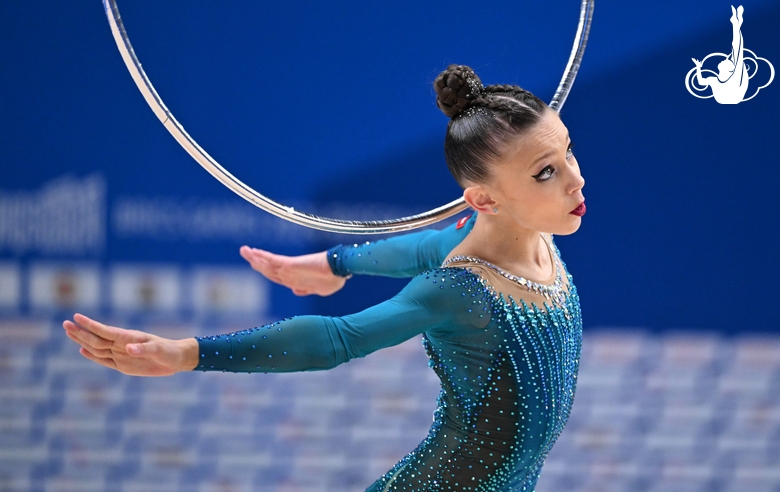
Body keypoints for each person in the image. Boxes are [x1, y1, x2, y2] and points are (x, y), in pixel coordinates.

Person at [64, 64, 586, 491]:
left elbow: (422, 245)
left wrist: (336, 263)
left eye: (567, 152)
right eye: (547, 172)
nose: (575, 179)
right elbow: (337, 339)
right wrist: (188, 353)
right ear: (484, 199)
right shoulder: (460, 290)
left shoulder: (530, 236)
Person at [692, 5, 748, 104]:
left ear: (729, 69)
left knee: (737, 51)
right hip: (727, 97)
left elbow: (738, 49)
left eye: (727, 61)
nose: (724, 59)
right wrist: (698, 67)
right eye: (727, 60)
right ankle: (736, 23)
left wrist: (736, 26)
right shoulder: (714, 80)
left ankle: (736, 23)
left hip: (734, 95)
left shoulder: (734, 77)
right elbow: (701, 82)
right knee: (737, 51)